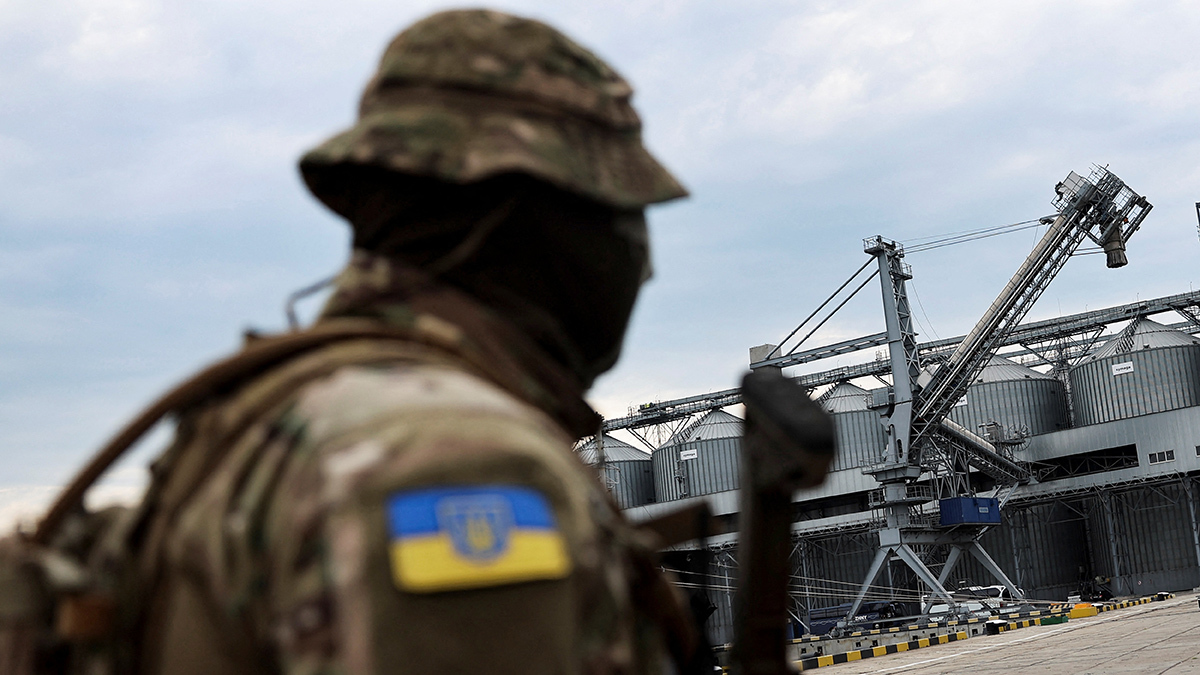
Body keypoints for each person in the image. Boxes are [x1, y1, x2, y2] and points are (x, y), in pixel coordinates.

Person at [5, 9, 700, 675]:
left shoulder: (277, 417)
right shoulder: (450, 459)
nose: (642, 260)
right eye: (622, 214)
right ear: (533, 214)